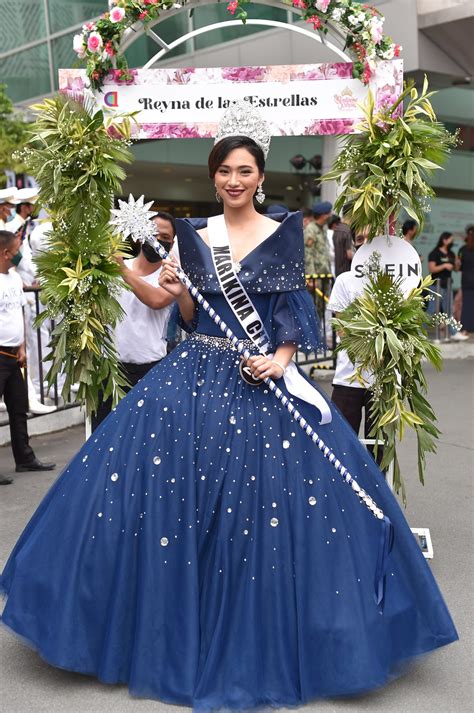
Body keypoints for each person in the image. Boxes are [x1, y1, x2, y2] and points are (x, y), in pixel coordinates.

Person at [0, 105, 457, 706]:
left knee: (273, 505)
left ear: (259, 176)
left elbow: (293, 307)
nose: (234, 180)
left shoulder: (285, 230)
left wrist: (285, 359)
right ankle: (154, 626)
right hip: (195, 375)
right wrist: (177, 288)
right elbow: (184, 315)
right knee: (169, 498)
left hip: (263, 378)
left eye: (244, 170)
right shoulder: (193, 236)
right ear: (212, 177)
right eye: (224, 171)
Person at [92, 212, 176, 430]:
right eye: (154, 235)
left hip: (150, 371)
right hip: (110, 370)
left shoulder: (171, 275)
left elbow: (157, 300)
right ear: (140, 236)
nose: (159, 242)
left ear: (172, 242)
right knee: (103, 437)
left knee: (143, 440)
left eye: (165, 238)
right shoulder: (113, 267)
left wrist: (121, 270)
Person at [0, 230, 55, 485]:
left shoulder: (12, 278)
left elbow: (19, 313)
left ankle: (24, 458)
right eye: (18, 247)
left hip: (14, 354)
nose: (22, 252)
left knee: (19, 408)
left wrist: (21, 346)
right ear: (6, 253)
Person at [428, 231, 467, 341]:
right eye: (450, 239)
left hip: (448, 285)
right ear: (444, 240)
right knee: (432, 310)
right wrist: (444, 265)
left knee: (448, 310)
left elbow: (455, 268)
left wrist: (457, 264)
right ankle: (420, 331)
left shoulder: (451, 253)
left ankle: (453, 333)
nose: (452, 241)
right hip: (436, 286)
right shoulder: (434, 253)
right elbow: (432, 269)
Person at [457, 227, 474, 335]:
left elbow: (458, 266)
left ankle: (466, 329)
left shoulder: (462, 250)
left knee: (467, 304)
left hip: (466, 280)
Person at [332, 206, 354, 276]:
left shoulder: (337, 229)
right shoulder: (347, 230)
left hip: (338, 271)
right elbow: (349, 254)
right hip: (347, 271)